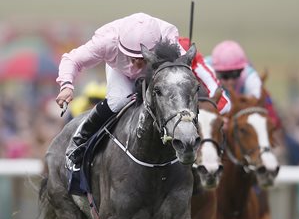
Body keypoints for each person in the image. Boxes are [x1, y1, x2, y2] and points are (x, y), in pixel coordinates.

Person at [56, 12, 230, 172]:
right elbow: (72, 59)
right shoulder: (106, 41)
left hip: (156, 71)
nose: (137, 65)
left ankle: (190, 142)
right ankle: (80, 139)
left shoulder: (168, 36)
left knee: (175, 94)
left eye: (142, 59)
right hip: (120, 72)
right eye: (132, 58)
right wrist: (66, 85)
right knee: (119, 100)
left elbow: (186, 69)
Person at [204, 40, 280, 127]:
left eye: (236, 74)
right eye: (225, 75)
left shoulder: (251, 78)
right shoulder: (205, 70)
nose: (230, 81)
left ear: (242, 70)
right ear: (215, 71)